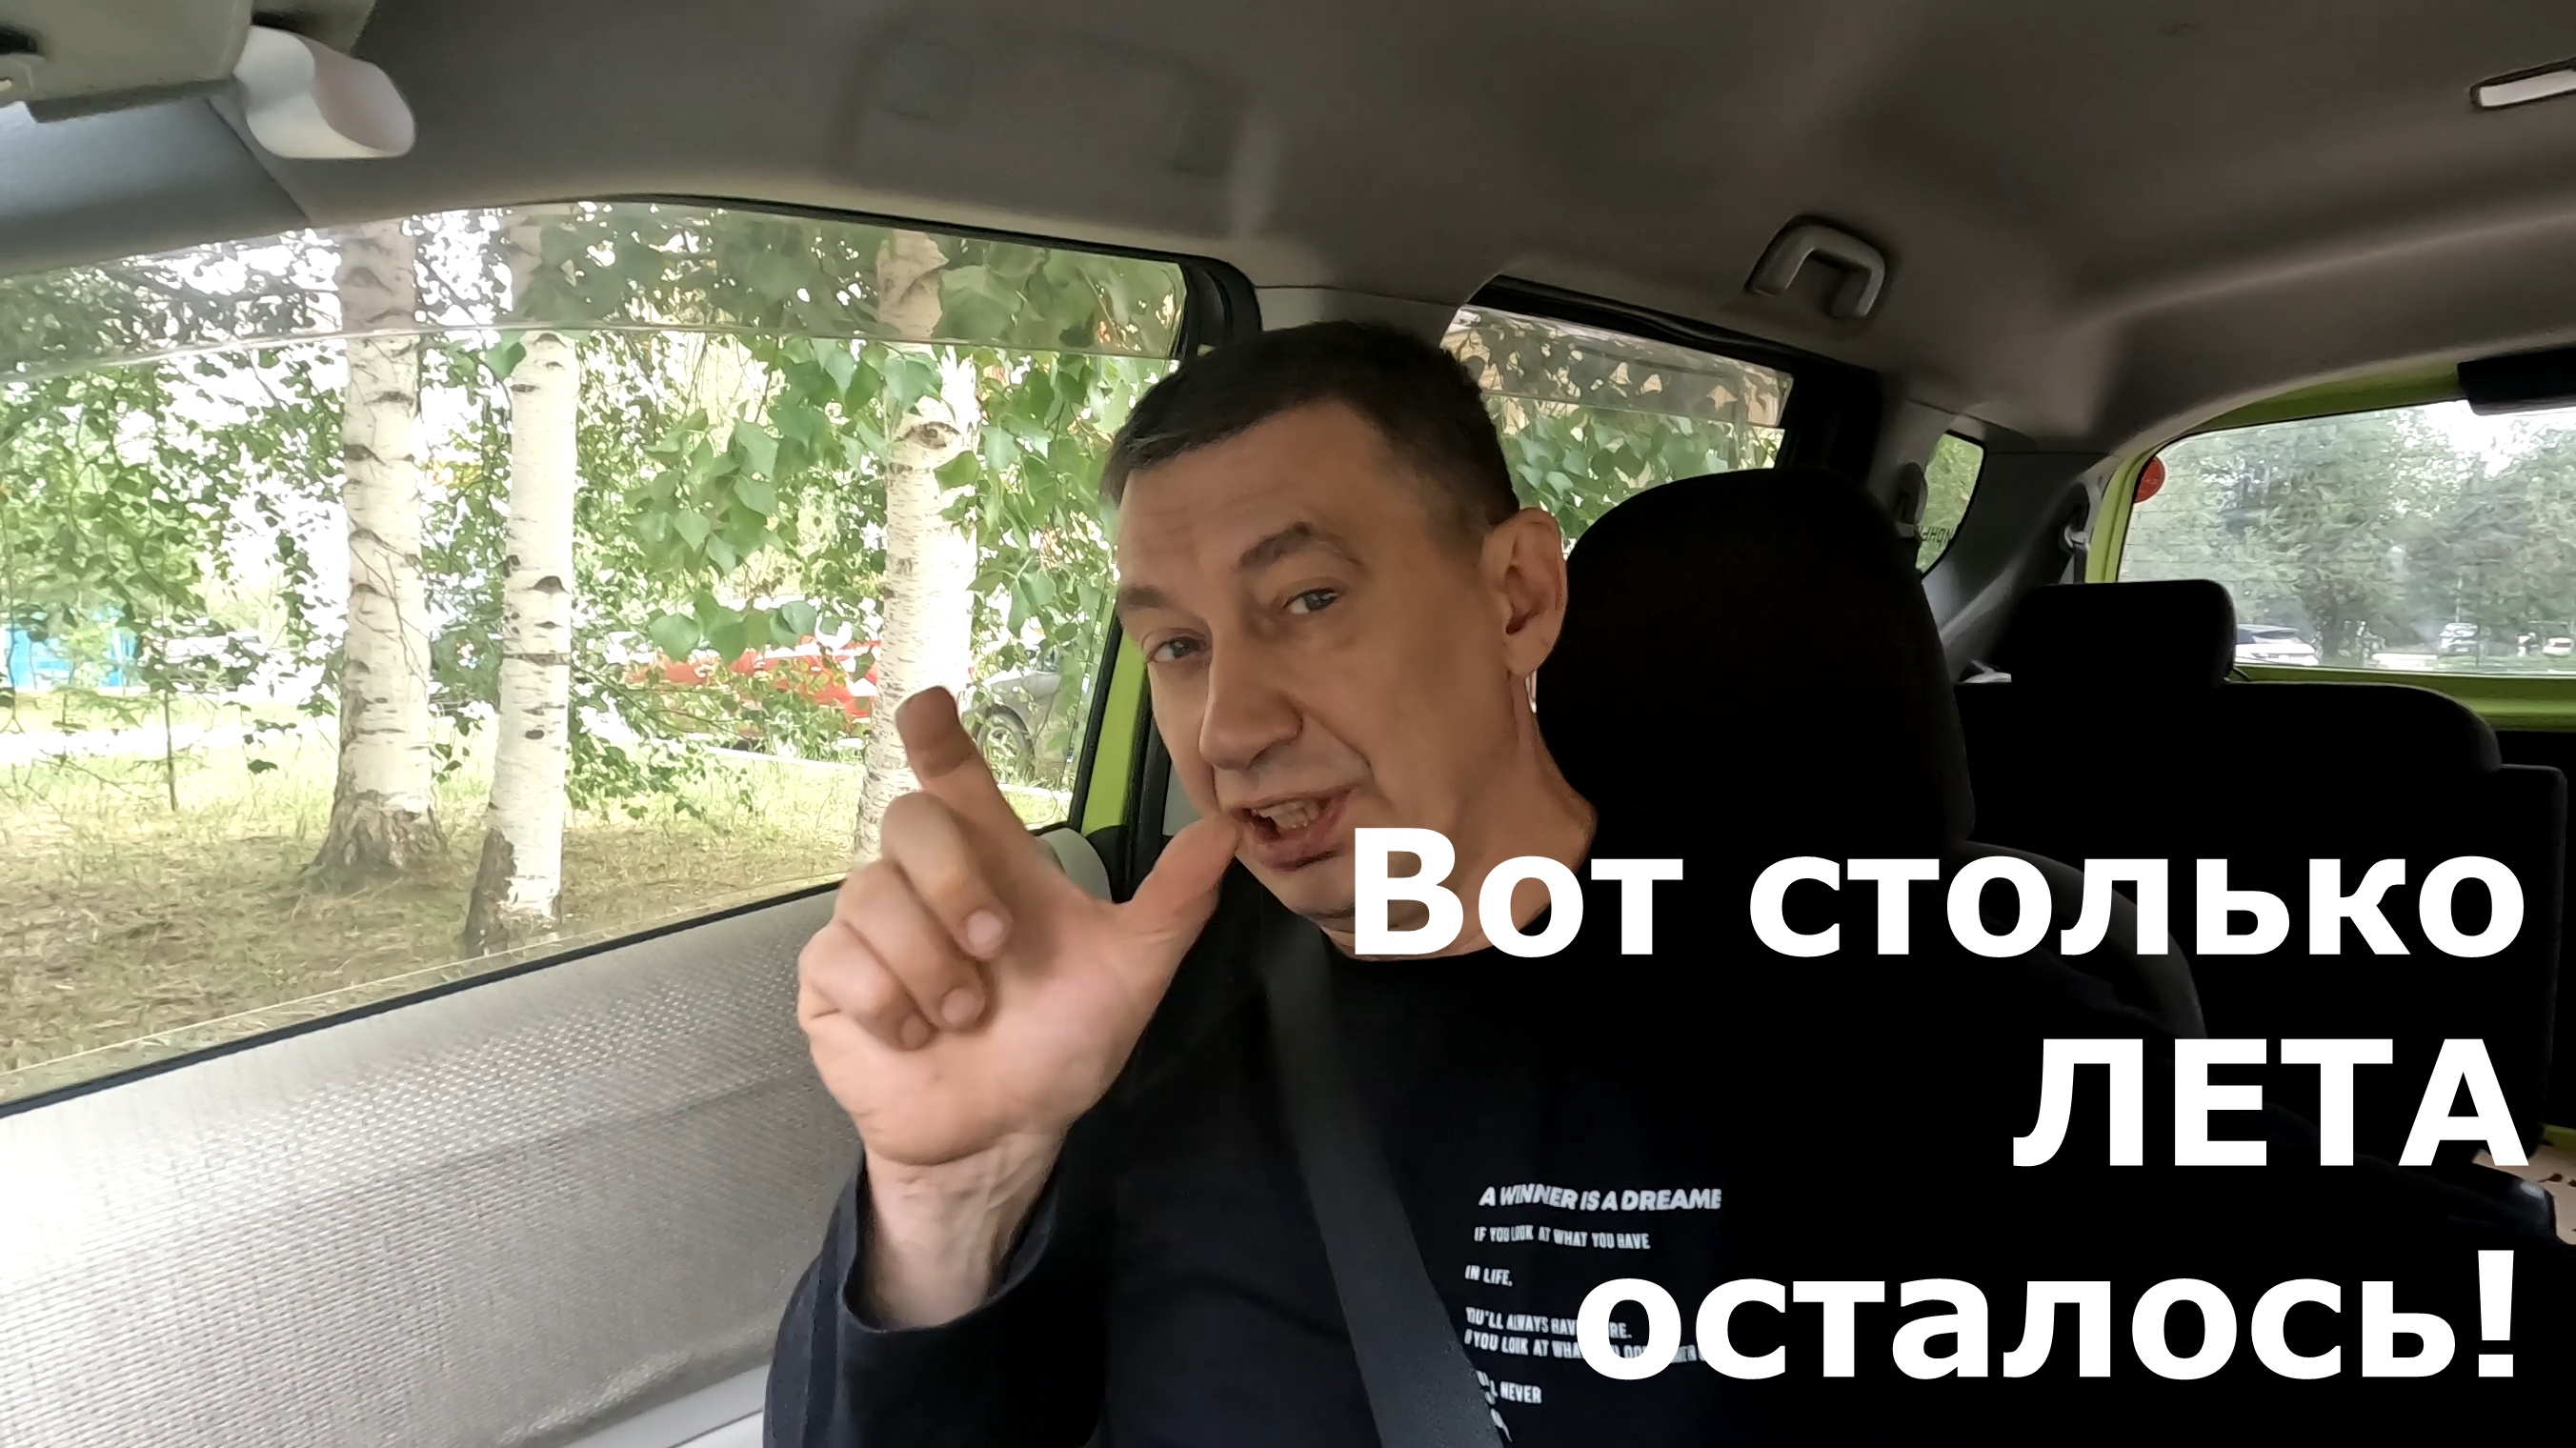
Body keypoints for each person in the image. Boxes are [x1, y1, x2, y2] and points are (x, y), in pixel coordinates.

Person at [768, 323, 2567, 1446]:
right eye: (1175, 644)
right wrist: (950, 1195)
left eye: (1307, 599)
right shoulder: (1115, 1034)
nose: (1228, 721)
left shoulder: (1908, 986)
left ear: (1518, 598)